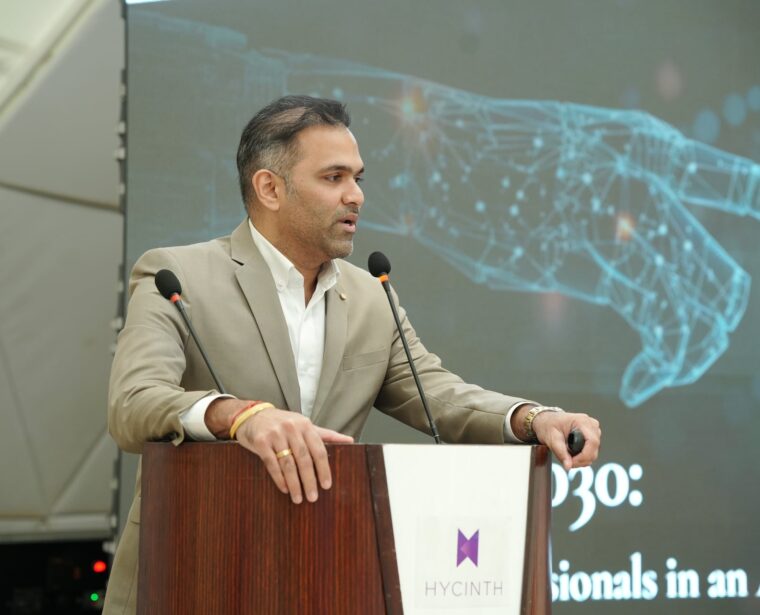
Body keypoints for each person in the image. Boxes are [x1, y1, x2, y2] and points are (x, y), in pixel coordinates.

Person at [103, 95, 601, 613]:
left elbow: (438, 395)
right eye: (334, 177)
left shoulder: (371, 294)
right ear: (270, 188)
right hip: (193, 570)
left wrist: (535, 418)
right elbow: (132, 403)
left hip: (324, 577)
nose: (356, 195)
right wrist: (240, 416)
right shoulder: (176, 277)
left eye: (358, 178)